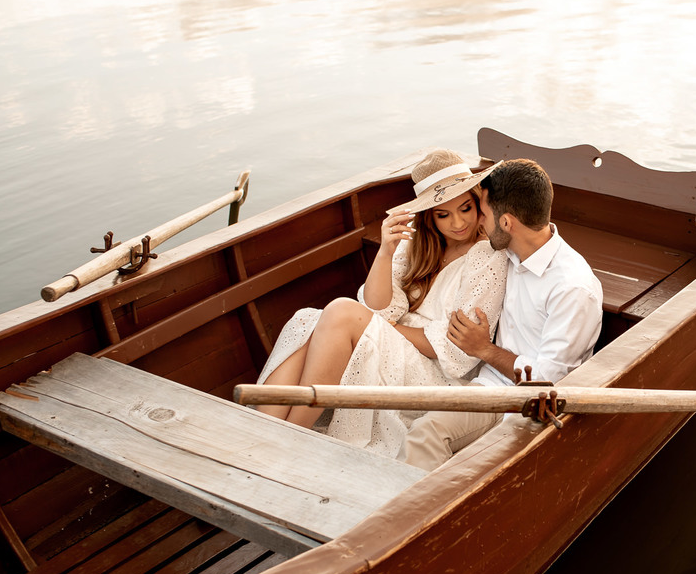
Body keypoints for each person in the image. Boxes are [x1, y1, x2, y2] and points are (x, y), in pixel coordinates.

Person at [254, 150, 508, 457]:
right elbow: (378, 309)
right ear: (429, 216)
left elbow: (456, 350)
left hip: (438, 375)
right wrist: (386, 252)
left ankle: (283, 441)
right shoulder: (418, 242)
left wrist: (387, 327)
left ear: (476, 200)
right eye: (443, 214)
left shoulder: (487, 257)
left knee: (340, 312)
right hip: (400, 348)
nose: (458, 223)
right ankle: (261, 432)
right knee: (308, 319)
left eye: (465, 208)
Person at [400, 158, 603, 469]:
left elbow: (547, 380)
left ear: (507, 223)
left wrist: (484, 349)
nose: (477, 222)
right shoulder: (509, 250)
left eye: (482, 212)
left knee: (450, 451)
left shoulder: (572, 288)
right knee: (425, 431)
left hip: (531, 406)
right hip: (488, 387)